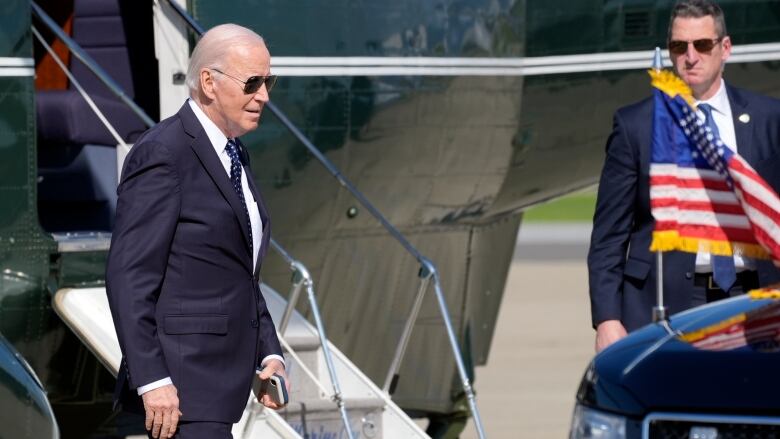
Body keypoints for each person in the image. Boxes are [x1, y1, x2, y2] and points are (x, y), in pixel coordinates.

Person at [106, 24, 287, 439]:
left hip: (216, 394)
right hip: (177, 400)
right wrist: (153, 382)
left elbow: (237, 270)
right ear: (209, 82)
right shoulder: (163, 153)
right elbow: (129, 276)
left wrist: (268, 353)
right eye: (253, 83)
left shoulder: (233, 151)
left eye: (268, 81)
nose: (264, 95)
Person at [588, 0, 780, 352]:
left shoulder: (769, 118)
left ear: (725, 49)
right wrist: (607, 319)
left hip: (755, 301)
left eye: (702, 45)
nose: (691, 56)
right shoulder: (637, 126)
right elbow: (608, 237)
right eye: (680, 46)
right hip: (669, 302)